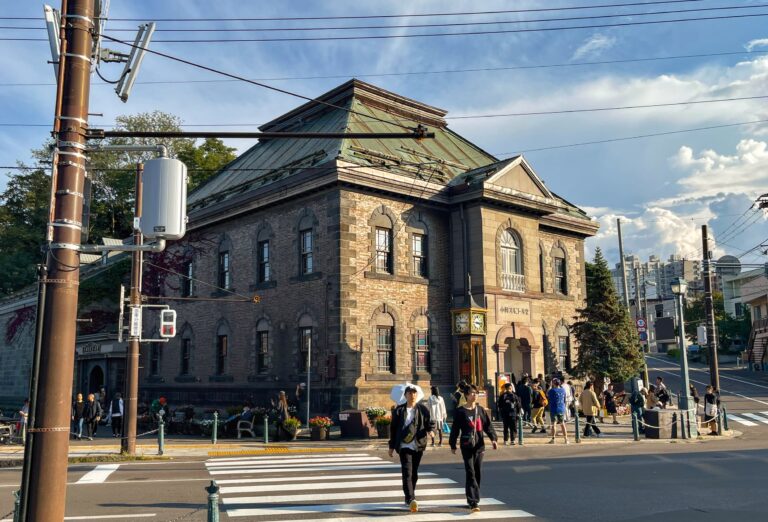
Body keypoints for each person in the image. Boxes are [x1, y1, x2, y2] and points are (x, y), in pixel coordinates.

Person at [449, 384, 498, 513]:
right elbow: (455, 429)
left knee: (477, 472)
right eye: (472, 393)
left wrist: (493, 439)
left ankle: (473, 495)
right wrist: (453, 444)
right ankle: (473, 501)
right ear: (466, 395)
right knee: (470, 472)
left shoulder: (480, 410)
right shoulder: (460, 411)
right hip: (466, 445)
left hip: (479, 446)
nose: (474, 395)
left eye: (476, 393)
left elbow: (488, 426)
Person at [389, 384, 435, 513]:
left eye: (414, 393)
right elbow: (393, 429)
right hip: (404, 445)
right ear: (405, 395)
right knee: (407, 472)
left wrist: (431, 430)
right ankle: (411, 498)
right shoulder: (399, 411)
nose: (412, 395)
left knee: (414, 473)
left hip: (418, 445)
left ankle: (409, 494)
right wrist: (391, 446)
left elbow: (429, 422)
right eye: (409, 393)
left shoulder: (423, 409)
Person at [547, 378, 569, 444]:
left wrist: (550, 386)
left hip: (553, 408)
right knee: (562, 424)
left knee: (553, 424)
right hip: (561, 408)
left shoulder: (552, 390)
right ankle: (566, 439)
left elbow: (547, 394)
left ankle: (553, 439)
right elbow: (564, 399)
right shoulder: (563, 390)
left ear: (553, 383)